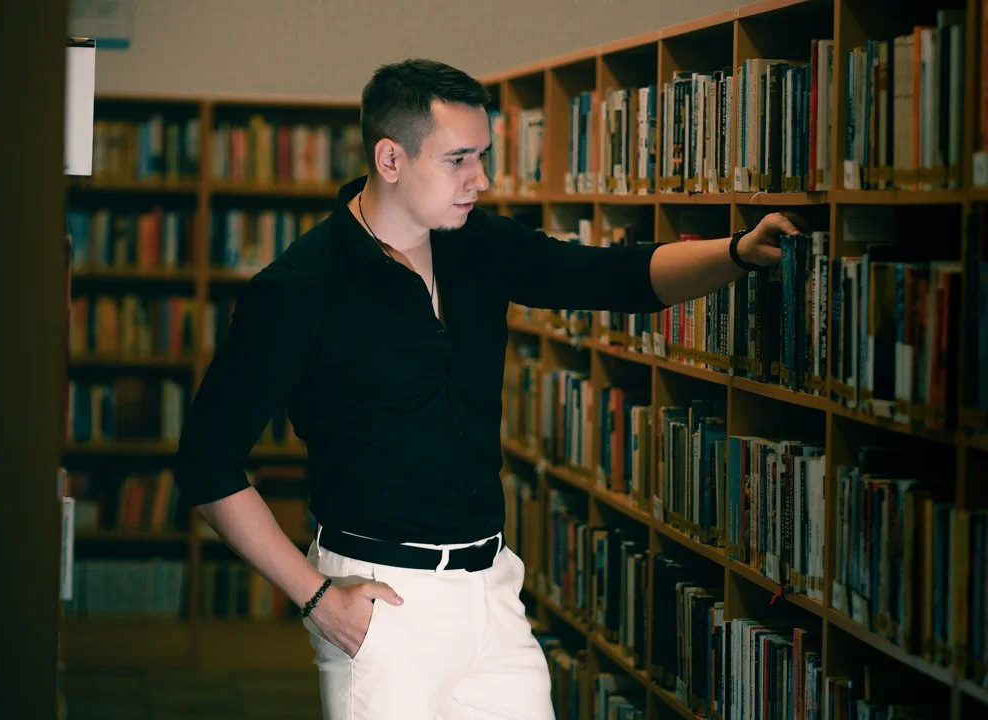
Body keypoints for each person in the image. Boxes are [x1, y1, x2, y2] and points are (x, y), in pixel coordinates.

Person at [174, 58, 799, 719]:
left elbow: (612, 277)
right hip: (379, 596)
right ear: (390, 159)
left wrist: (738, 252)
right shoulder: (298, 289)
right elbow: (206, 465)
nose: (484, 178)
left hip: (491, 587)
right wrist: (317, 598)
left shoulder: (476, 242)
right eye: (459, 159)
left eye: (484, 155)